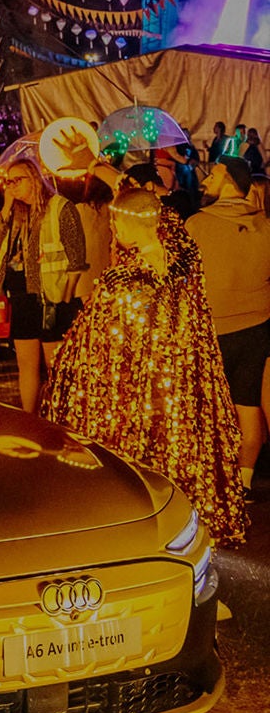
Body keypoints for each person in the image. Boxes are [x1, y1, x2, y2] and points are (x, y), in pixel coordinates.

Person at [43, 189, 246, 547]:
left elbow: (99, 347)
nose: (114, 228)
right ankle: (184, 521)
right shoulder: (185, 260)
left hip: (137, 390)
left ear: (132, 222)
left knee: (139, 459)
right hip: (180, 385)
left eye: (117, 220)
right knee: (177, 453)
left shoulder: (120, 282)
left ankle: (138, 524)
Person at [187, 156, 270, 499]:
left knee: (209, 409)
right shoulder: (264, 226)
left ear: (231, 184)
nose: (205, 181)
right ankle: (244, 481)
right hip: (257, 328)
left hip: (213, 331)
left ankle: (213, 479)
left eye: (214, 175)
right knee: (247, 405)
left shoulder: (197, 225)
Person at [0, 162, 85, 415]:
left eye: (16, 180)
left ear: (33, 179)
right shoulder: (16, 213)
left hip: (52, 297)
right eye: (7, 182)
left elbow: (77, 258)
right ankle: (29, 417)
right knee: (26, 364)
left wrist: (67, 295)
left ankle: (60, 416)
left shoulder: (60, 208)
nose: (11, 187)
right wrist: (6, 207)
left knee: (55, 365)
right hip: (21, 295)